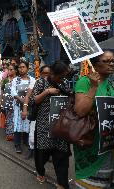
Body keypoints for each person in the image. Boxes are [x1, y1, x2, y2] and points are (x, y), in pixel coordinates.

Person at [74, 51, 114, 189]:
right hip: (91, 145)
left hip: (108, 144)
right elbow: (80, 111)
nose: (111, 64)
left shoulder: (111, 85)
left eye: (113, 61)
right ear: (95, 64)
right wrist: (94, 87)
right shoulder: (85, 81)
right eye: (107, 61)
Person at [31, 61, 71, 189]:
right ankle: (40, 171)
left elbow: (70, 98)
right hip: (44, 125)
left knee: (62, 155)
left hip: (61, 125)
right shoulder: (41, 83)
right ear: (53, 73)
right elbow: (34, 99)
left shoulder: (64, 83)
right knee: (42, 153)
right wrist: (47, 92)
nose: (62, 79)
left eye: (64, 76)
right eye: (60, 76)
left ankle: (62, 183)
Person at [11, 60, 35, 154]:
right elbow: (13, 92)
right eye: (20, 67)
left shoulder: (32, 80)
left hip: (29, 106)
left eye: (23, 67)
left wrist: (25, 101)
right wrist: (20, 99)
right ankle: (17, 144)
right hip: (17, 106)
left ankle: (26, 141)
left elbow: (32, 92)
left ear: (27, 68)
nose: (21, 69)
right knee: (17, 124)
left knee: (27, 124)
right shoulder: (15, 80)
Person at [0, 64, 17, 141]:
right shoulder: (6, 80)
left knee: (15, 118)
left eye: (11, 69)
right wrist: (1, 101)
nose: (9, 71)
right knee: (8, 117)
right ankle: (9, 134)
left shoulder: (18, 80)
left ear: (15, 70)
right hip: (7, 102)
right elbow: (2, 91)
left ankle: (16, 135)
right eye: (9, 70)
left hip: (16, 102)